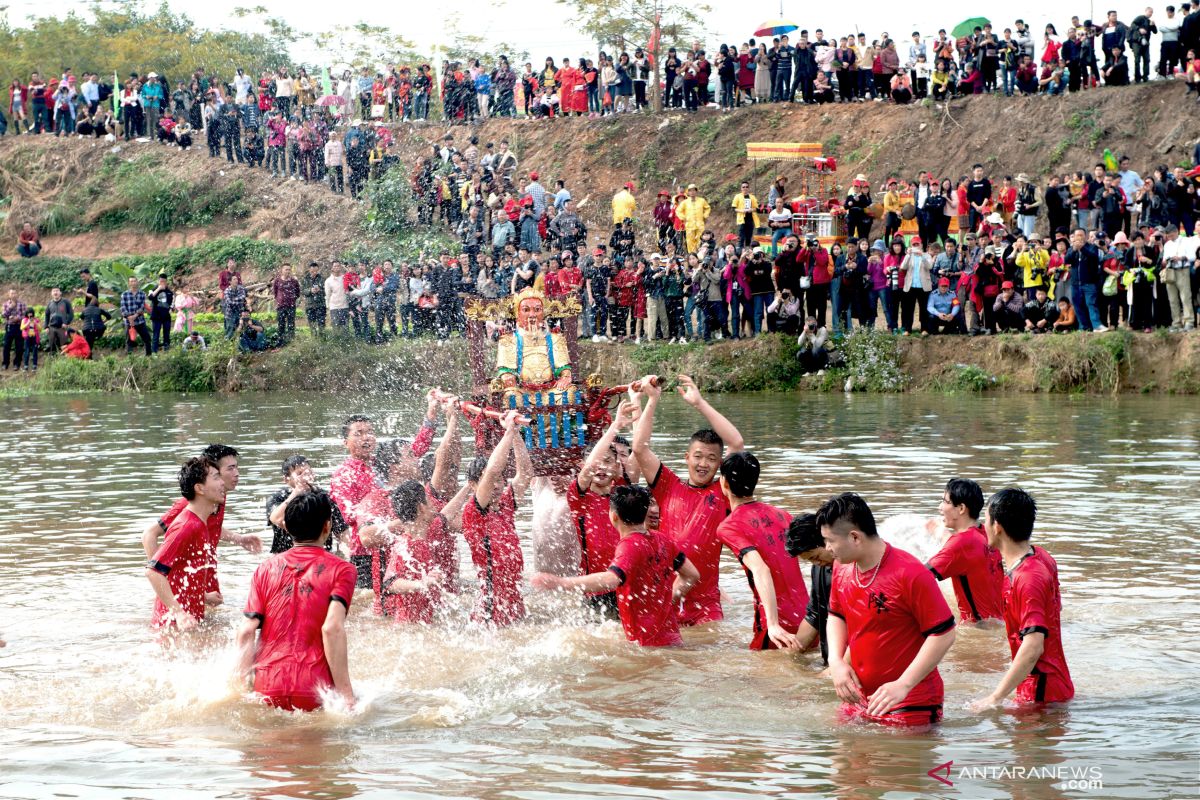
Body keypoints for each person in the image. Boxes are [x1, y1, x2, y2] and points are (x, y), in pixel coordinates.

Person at [818, 492, 957, 726]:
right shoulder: (842, 568)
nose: (827, 548)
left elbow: (944, 634)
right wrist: (836, 662)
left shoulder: (910, 573)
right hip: (860, 696)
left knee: (893, 761)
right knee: (843, 760)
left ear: (854, 537)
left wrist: (903, 685)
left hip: (910, 699)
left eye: (830, 540)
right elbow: (836, 614)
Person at [632, 374, 745, 626]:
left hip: (706, 606)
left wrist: (699, 403)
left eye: (711, 458)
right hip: (666, 598)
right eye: (698, 456)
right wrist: (652, 400)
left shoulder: (723, 491)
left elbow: (736, 442)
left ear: (719, 463)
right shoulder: (667, 485)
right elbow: (639, 448)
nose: (703, 464)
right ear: (686, 457)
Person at [235, 488, 357, 711]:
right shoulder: (343, 570)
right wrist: (347, 695)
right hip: (315, 687)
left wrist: (241, 687)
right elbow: (332, 629)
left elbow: (246, 632)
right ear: (327, 527)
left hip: (267, 685)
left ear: (288, 527)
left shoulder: (265, 569)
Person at [533, 484, 700, 647]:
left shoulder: (629, 545)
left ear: (613, 516)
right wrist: (667, 601)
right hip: (673, 639)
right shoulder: (663, 539)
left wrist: (561, 583)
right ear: (645, 512)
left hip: (647, 645)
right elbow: (692, 575)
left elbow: (611, 579)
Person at [970, 489, 1074, 710]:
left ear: (997, 527)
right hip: (1053, 685)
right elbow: (1056, 609)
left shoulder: (1027, 578)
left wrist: (995, 698)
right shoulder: (1041, 556)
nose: (983, 526)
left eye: (986, 520)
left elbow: (1033, 646)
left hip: (1041, 695)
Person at [715, 452, 805, 650]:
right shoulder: (784, 516)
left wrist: (772, 624)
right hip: (810, 618)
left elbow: (761, 569)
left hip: (778, 626)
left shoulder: (729, 527)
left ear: (724, 483)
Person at [460, 410, 533, 627]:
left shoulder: (505, 505)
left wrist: (517, 433)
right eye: (487, 481)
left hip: (514, 598)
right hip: (491, 606)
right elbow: (492, 471)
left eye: (501, 479)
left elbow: (526, 473)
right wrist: (508, 431)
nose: (497, 483)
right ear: (474, 485)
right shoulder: (473, 512)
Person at [145, 457, 226, 631]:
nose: (222, 483)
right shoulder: (187, 525)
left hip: (188, 623)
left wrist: (203, 596)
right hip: (172, 626)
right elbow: (153, 572)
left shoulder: (200, 521)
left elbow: (180, 573)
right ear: (199, 488)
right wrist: (179, 613)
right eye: (216, 477)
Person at [568, 402, 633, 617]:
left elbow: (640, 448)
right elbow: (589, 469)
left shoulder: (623, 492)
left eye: (608, 462)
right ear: (582, 466)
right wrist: (615, 426)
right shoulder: (579, 497)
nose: (601, 467)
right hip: (595, 589)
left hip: (628, 584)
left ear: (617, 467)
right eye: (597, 462)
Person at [926, 478, 1004, 624]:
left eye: (945, 501)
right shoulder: (986, 534)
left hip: (979, 629)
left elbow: (919, 575)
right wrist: (941, 533)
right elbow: (962, 552)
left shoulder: (960, 544)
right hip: (1001, 622)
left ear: (961, 508)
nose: (940, 507)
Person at [266, 456, 348, 553]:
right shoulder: (278, 498)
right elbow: (277, 519)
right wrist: (296, 492)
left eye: (308, 472)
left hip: (320, 557)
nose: (305, 476)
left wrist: (340, 559)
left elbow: (343, 535)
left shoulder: (325, 498)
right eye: (299, 473)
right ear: (286, 479)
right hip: (283, 558)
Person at [786, 513, 834, 664]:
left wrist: (838, 667)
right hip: (833, 661)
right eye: (810, 560)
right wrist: (792, 654)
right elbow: (815, 614)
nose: (817, 563)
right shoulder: (820, 568)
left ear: (827, 541)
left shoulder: (856, 568)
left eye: (816, 556)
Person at [120, 277, 152, 356]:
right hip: (129, 322)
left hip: (140, 320)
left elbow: (142, 306)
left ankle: (149, 356)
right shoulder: (124, 294)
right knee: (129, 341)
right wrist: (129, 317)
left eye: (135, 281)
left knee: (147, 338)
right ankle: (129, 358)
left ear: (137, 282)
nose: (133, 283)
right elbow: (123, 307)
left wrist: (135, 316)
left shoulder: (142, 294)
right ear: (129, 283)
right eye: (131, 281)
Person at [271, 264, 300, 343]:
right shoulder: (277, 280)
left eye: (289, 269)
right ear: (282, 270)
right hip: (281, 306)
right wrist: (280, 300)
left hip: (291, 306)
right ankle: (281, 342)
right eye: (286, 269)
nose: (288, 271)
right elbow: (275, 292)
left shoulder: (294, 281)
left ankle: (291, 342)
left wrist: (292, 299)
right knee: (281, 324)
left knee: (291, 324)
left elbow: (297, 293)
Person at [147, 274, 173, 352]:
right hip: (156, 316)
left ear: (166, 281)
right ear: (158, 281)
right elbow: (150, 297)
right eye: (161, 281)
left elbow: (171, 302)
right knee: (156, 335)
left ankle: (166, 350)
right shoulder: (153, 289)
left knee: (167, 335)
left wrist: (171, 309)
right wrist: (158, 289)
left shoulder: (169, 291)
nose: (162, 283)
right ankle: (154, 352)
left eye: (164, 281)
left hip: (166, 317)